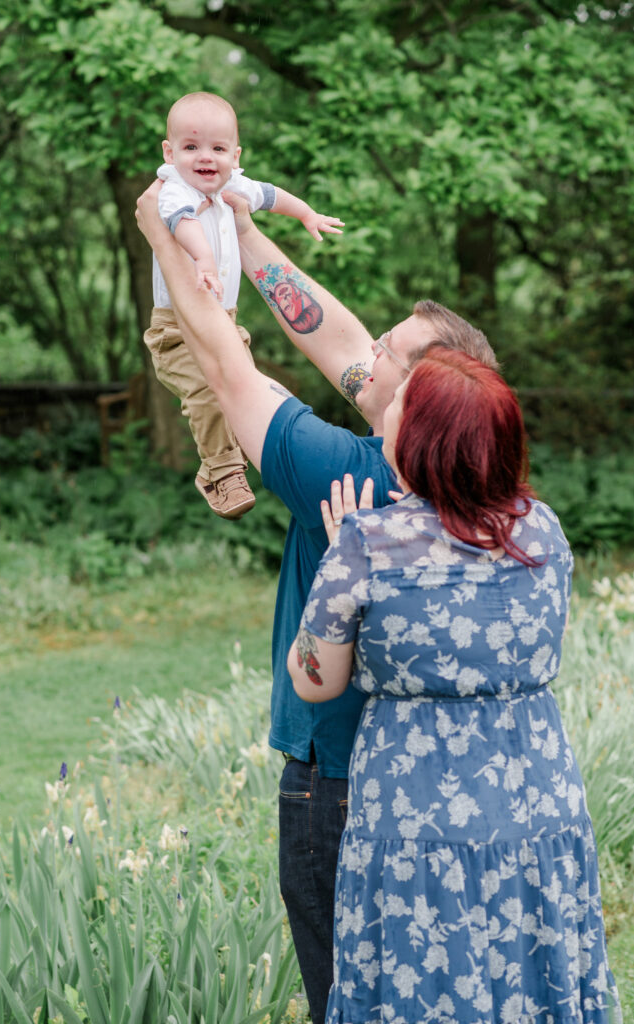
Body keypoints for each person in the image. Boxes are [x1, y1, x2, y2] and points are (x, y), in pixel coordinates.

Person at [135, 182, 497, 1023]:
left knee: (347, 999)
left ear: (422, 394)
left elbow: (224, 362)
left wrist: (164, 233)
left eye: (390, 354)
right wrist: (241, 231)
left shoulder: (346, 475)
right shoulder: (476, 488)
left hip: (334, 783)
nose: (366, 354)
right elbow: (328, 332)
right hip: (441, 784)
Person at [288, 348, 622, 1022]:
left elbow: (314, 681)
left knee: (419, 977)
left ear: (422, 439)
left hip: (416, 809)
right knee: (534, 970)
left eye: (399, 405)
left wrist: (332, 576)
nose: (384, 413)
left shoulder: (366, 542)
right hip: (535, 795)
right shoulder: (542, 529)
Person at [146, 91, 344, 519]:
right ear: (170, 151)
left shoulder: (232, 185)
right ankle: (222, 470)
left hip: (224, 320)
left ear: (235, 155)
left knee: (245, 391)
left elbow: (270, 194)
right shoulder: (172, 190)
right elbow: (182, 222)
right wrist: (202, 259)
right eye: (191, 147)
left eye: (218, 149)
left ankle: (228, 461)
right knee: (205, 391)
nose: (206, 158)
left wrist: (307, 213)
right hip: (177, 330)